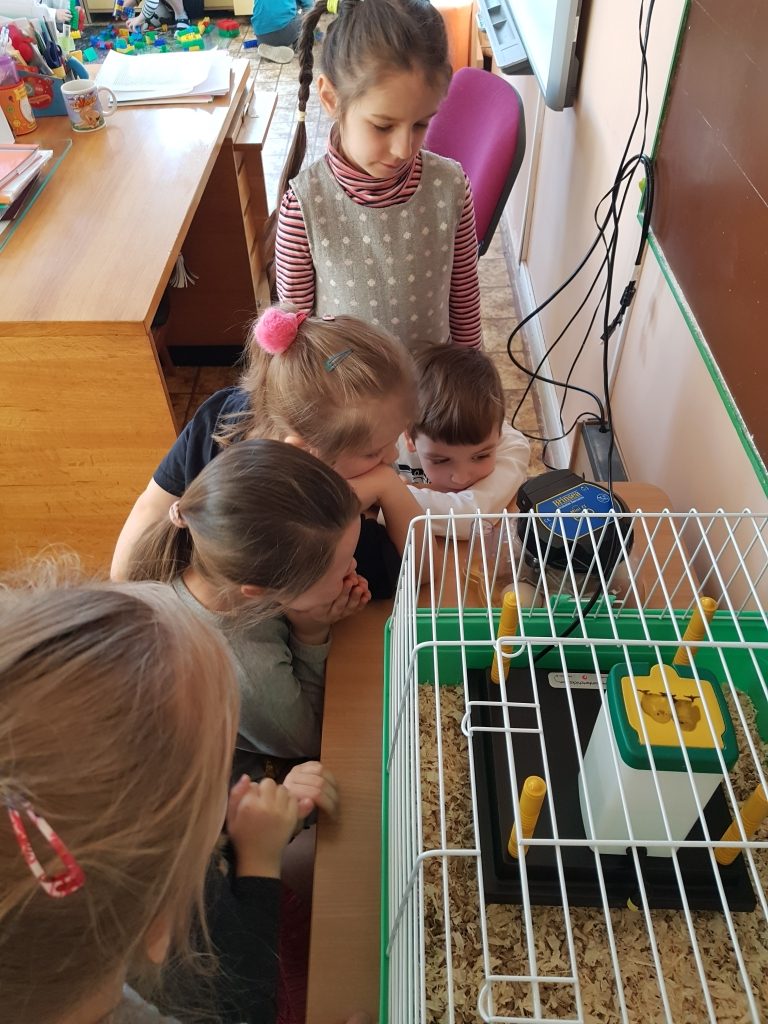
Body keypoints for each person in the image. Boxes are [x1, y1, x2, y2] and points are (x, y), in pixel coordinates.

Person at [0, 565, 344, 1024]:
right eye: (217, 775)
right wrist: (259, 859)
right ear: (163, 930)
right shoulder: (198, 987)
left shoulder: (95, 921)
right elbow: (248, 998)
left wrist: (238, 836)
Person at [112, 306, 421, 598]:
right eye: (373, 453)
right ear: (306, 452)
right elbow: (420, 571)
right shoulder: (321, 522)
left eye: (396, 437)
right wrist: (387, 485)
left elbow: (149, 508)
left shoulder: (223, 411)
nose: (393, 457)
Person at [127, 438, 367, 782]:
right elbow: (313, 738)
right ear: (260, 591)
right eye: (342, 567)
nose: (354, 566)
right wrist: (311, 632)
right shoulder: (247, 672)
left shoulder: (215, 555)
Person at [270, 0, 482, 351]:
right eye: (383, 126)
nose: (403, 148)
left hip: (431, 384)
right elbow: (299, 342)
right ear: (331, 98)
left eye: (421, 124)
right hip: (346, 386)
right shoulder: (304, 209)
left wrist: (471, 376)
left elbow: (465, 303)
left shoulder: (451, 189)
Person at [395, 344, 530, 538]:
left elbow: (473, 520)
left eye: (481, 456)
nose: (461, 478)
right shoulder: (389, 443)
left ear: (499, 432)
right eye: (440, 460)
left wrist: (392, 495)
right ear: (409, 438)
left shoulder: (513, 446)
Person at [251, 0, 312, 64]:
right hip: (283, 32)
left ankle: (269, 44)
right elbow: (310, 7)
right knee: (304, 15)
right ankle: (298, 45)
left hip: (261, 35)